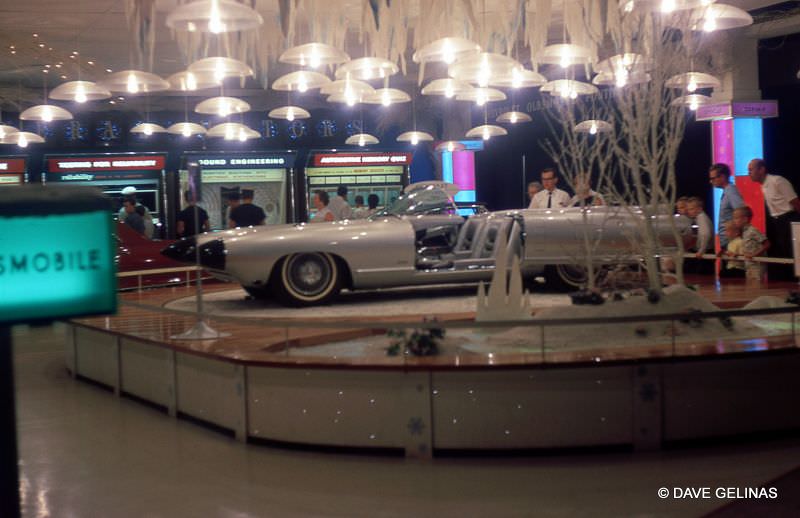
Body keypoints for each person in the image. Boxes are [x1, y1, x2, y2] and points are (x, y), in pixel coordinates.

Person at [747, 158, 800, 280]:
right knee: (784, 251)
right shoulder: (763, 186)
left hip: (789, 219)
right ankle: (790, 281)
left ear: (761, 169)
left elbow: (795, 202)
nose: (749, 172)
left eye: (751, 169)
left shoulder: (778, 181)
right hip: (777, 222)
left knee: (793, 250)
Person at [708, 163, 745, 248]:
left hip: (732, 242)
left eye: (713, 178)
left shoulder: (731, 191)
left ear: (723, 177)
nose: (711, 181)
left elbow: (741, 211)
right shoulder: (727, 191)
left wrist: (736, 234)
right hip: (729, 241)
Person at [733, 206, 770, 282]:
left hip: (757, 266)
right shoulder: (744, 232)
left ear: (745, 219)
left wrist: (755, 254)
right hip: (748, 266)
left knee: (756, 287)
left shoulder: (753, 230)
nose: (734, 221)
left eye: (736, 218)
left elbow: (767, 244)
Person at [684, 197, 714, 275]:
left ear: (700, 208)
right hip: (704, 251)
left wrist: (701, 250)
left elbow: (706, 234)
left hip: (705, 252)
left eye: (691, 209)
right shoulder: (699, 218)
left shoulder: (702, 218)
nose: (689, 211)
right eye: (688, 209)